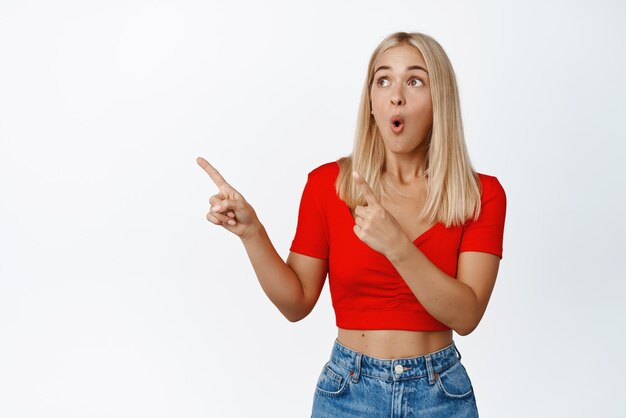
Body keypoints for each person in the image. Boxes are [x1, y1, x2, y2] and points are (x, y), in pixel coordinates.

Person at [197, 31, 506, 417]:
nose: (396, 95)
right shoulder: (327, 184)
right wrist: (252, 233)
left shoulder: (480, 194)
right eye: (383, 80)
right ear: (372, 104)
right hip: (349, 392)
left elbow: (467, 316)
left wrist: (396, 245)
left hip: (441, 395)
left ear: (439, 100)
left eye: (415, 80)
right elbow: (296, 304)